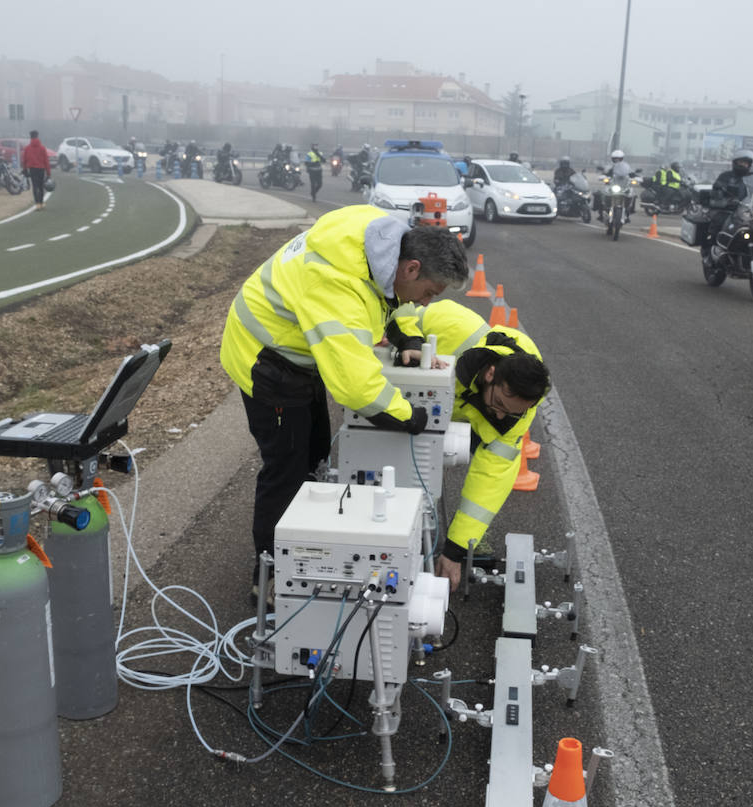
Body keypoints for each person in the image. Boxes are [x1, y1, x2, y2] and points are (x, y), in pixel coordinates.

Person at [219, 205, 470, 581]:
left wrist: (406, 336)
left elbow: (385, 295)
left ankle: (307, 539)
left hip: (297, 352)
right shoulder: (336, 284)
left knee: (317, 452)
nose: (425, 303)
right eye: (429, 292)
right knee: (287, 468)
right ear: (412, 268)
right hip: (265, 359)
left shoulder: (381, 237)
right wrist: (412, 417)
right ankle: (270, 576)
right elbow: (356, 387)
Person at [385, 300, 550, 591]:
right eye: (499, 403)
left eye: (511, 413)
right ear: (490, 374)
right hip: (402, 398)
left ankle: (441, 536)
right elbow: (405, 309)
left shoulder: (518, 413)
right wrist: (406, 339)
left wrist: (455, 551)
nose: (501, 415)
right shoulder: (457, 326)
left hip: (460, 416)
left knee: (436, 461)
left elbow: (490, 481)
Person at [21, 130, 51, 210]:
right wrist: (48, 173)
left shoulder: (27, 148)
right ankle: (41, 202)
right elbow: (46, 160)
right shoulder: (42, 148)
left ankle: (37, 203)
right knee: (41, 186)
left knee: (35, 186)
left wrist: (25, 170)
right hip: (41, 169)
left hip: (32, 169)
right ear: (37, 136)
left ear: (30, 137)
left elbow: (24, 160)